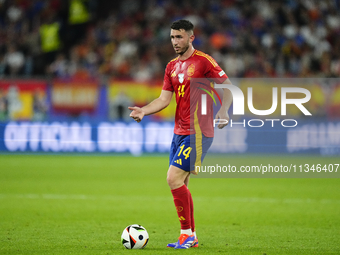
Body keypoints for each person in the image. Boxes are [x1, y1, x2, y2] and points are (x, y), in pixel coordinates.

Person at [129, 19, 233, 249]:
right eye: (172, 37)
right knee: (181, 181)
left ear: (191, 37)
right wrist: (144, 111)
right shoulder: (171, 67)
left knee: (172, 178)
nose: (175, 42)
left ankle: (187, 234)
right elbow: (164, 99)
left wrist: (224, 110)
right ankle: (190, 236)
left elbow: (228, 87)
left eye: (179, 37)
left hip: (199, 132)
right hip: (179, 132)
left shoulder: (204, 62)